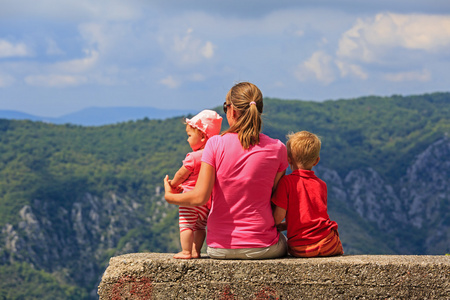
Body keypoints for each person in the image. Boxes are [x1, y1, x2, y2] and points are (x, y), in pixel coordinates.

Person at [164, 82, 288, 259]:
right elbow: (274, 197)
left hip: (219, 248)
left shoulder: (214, 144)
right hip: (262, 246)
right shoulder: (278, 149)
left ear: (232, 111)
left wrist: (170, 196)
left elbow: (200, 197)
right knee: (285, 243)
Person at [271, 131, 344, 257]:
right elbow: (311, 218)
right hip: (328, 243)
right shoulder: (322, 185)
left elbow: (278, 217)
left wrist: (273, 225)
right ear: (316, 161)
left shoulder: (286, 183)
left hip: (301, 248)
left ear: (289, 160)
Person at [167, 109, 222, 259]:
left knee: (186, 225)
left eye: (189, 136)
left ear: (203, 137)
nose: (187, 139)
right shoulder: (216, 155)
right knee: (200, 227)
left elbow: (181, 173)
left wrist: (173, 183)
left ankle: (186, 251)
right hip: (207, 202)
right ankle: (196, 251)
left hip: (190, 198)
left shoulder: (194, 157)